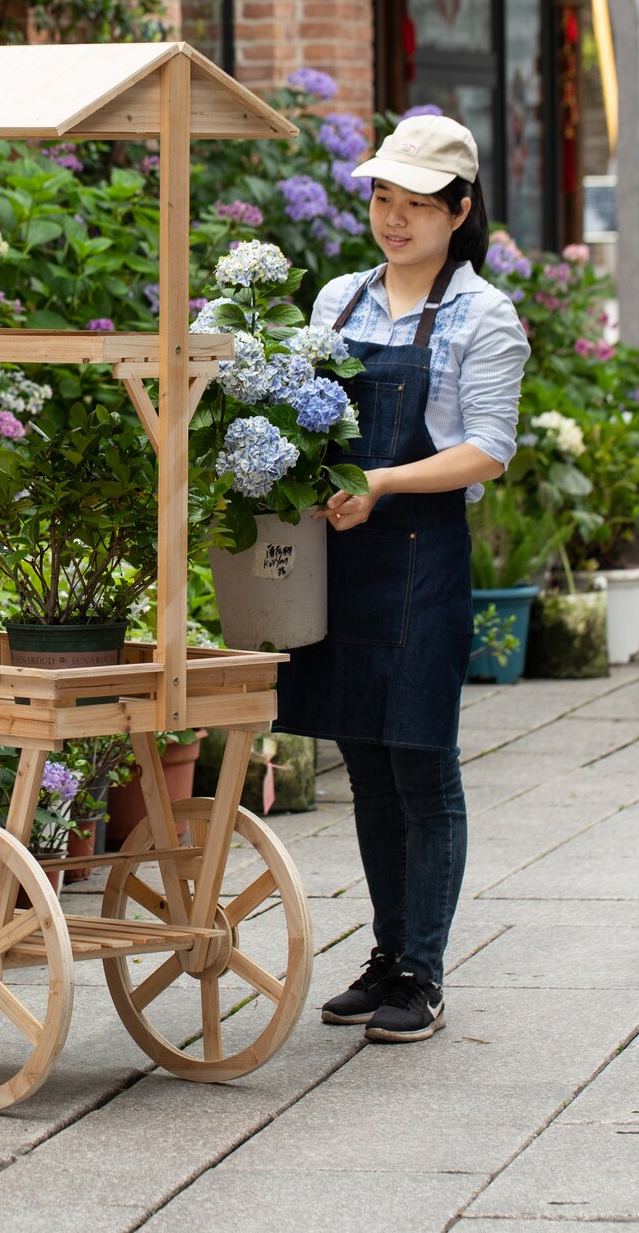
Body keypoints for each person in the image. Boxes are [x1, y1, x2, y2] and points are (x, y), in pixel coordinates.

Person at [274, 115, 529, 1043]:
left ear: (459, 213)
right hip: (339, 556)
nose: (395, 219)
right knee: (366, 763)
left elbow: (487, 452)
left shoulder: (482, 317)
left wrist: (378, 482)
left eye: (418, 205)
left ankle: (422, 967)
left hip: (420, 558)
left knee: (422, 762)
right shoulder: (338, 300)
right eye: (384, 198)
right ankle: (386, 957)